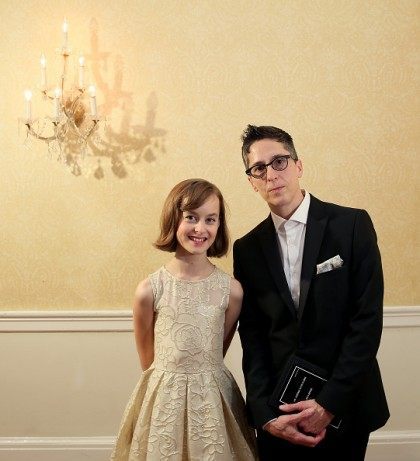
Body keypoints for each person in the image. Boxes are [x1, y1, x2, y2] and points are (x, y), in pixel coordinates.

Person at [233, 125, 389, 461]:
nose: (271, 174)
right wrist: (264, 413)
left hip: (345, 406)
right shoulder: (246, 249)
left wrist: (329, 404)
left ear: (298, 166)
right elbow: (254, 338)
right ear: (251, 182)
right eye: (259, 168)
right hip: (281, 411)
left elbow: (366, 322)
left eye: (279, 162)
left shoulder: (351, 225)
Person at [111, 178, 257, 461]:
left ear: (219, 225)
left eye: (210, 219)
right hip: (164, 405)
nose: (200, 228)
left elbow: (218, 349)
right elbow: (149, 362)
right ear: (173, 219)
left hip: (214, 404)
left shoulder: (231, 291)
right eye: (191, 217)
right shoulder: (149, 290)